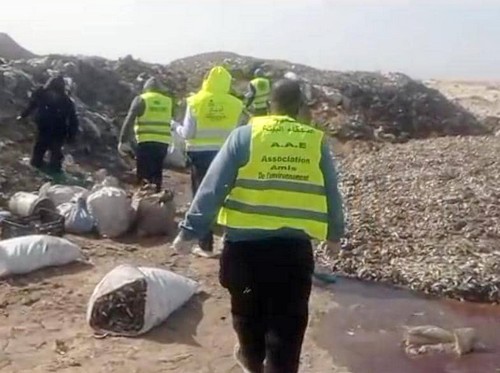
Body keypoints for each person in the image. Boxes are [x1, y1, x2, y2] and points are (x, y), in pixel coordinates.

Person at [173, 79, 345, 373]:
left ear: (269, 105)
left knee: (247, 317)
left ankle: (252, 363)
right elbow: (332, 190)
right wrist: (334, 234)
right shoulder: (315, 140)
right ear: (301, 107)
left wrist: (190, 231)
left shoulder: (244, 136)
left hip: (244, 250)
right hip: (292, 252)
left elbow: (213, 187)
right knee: (287, 330)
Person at [173, 65, 243, 257]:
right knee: (228, 196)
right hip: (227, 154)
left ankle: (205, 246)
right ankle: (229, 242)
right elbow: (239, 132)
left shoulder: (195, 101)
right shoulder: (236, 104)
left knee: (203, 197)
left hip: (200, 155)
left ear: (206, 81)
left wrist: (175, 127)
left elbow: (187, 132)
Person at [118, 77, 175, 192]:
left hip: (145, 143)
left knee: (143, 175)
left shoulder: (141, 99)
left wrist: (123, 141)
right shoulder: (168, 101)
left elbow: (129, 120)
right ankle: (156, 200)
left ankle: (143, 200)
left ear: (146, 89)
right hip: (163, 144)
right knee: (157, 173)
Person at [17, 75, 79, 174]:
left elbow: (73, 120)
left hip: (52, 130)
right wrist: (23, 115)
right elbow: (73, 120)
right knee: (44, 156)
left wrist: (71, 136)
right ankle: (44, 174)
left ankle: (48, 175)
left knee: (48, 156)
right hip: (50, 130)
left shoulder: (61, 99)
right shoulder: (61, 99)